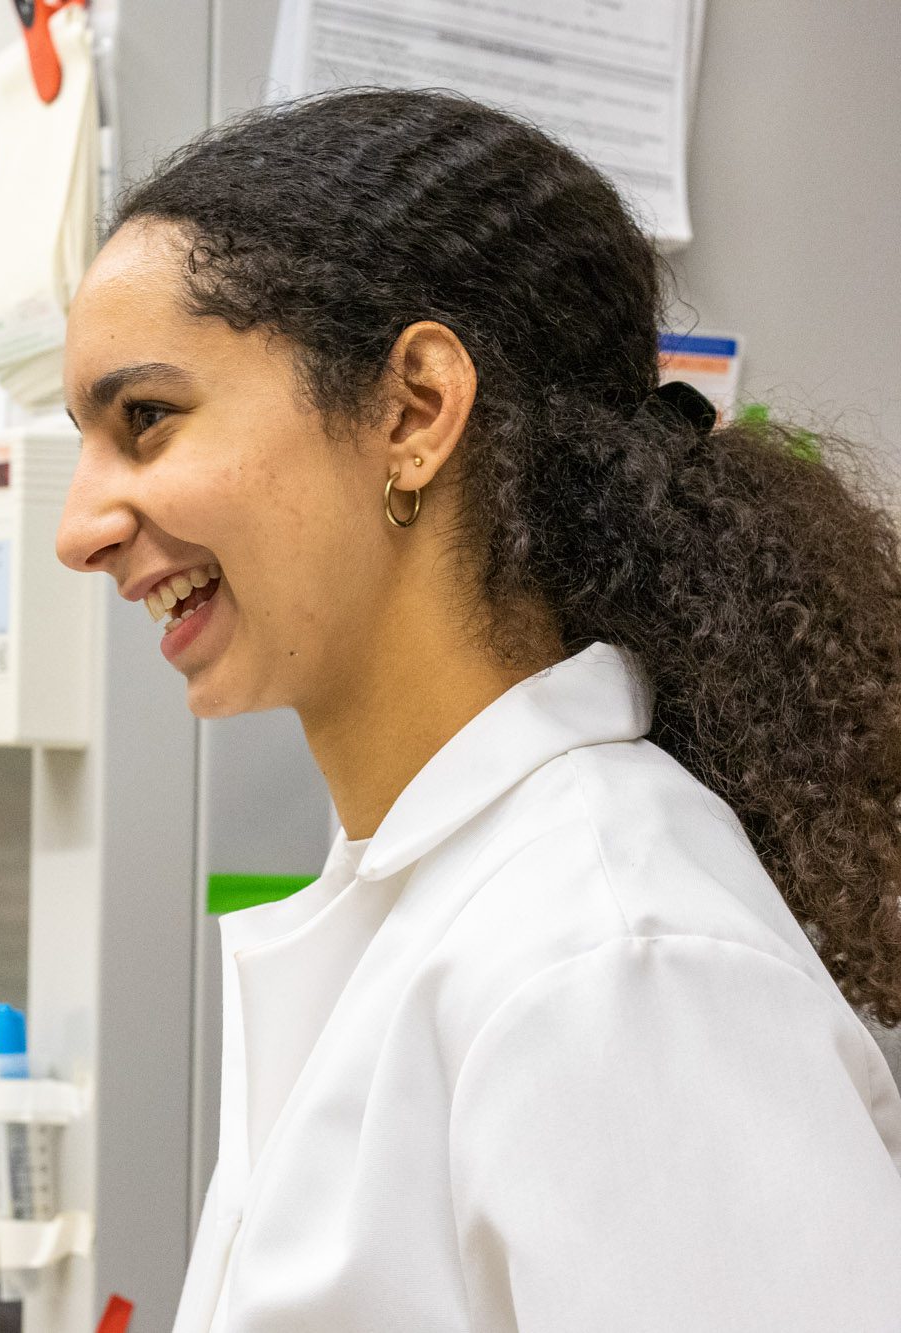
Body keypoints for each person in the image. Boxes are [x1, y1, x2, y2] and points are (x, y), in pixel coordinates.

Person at [55, 89, 901, 1330]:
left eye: (146, 419)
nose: (80, 527)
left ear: (411, 410)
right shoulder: (431, 900)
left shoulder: (610, 956)